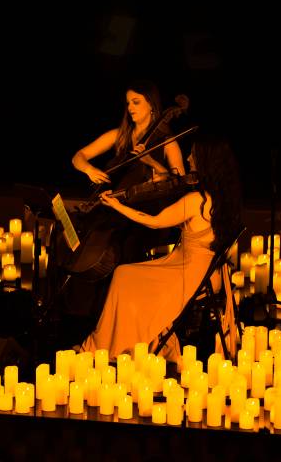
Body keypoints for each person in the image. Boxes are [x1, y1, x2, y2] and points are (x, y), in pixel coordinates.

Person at [79, 135, 241, 357]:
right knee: (127, 277)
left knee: (123, 276)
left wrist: (116, 205)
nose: (188, 158)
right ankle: (128, 340)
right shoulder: (221, 200)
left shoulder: (196, 200)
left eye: (193, 155)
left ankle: (105, 344)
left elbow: (154, 222)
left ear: (205, 162)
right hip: (208, 275)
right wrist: (153, 165)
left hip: (187, 275)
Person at [71, 79, 185, 189]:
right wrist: (89, 170)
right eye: (128, 103)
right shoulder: (119, 135)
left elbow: (181, 182)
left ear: (151, 104)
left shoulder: (168, 142)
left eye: (136, 102)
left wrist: (151, 162)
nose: (130, 107)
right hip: (110, 198)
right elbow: (78, 157)